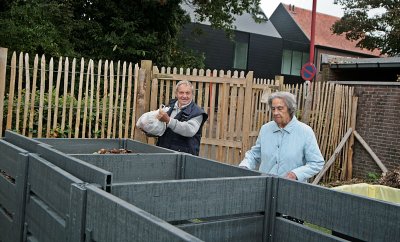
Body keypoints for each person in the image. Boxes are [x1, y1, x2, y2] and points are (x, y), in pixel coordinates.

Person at [239, 91, 324, 182]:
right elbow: (255, 154)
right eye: (273, 109)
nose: (275, 113)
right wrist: (245, 165)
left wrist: (296, 174)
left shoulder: (305, 132)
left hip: (291, 189)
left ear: (290, 109)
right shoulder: (265, 129)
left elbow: (316, 162)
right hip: (265, 185)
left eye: (280, 108)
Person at [156, 80, 208, 156]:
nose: (184, 96)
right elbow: (161, 128)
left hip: (184, 157)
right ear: (176, 94)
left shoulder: (197, 112)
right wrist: (150, 130)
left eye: (187, 93)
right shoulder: (169, 107)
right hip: (164, 152)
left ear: (192, 95)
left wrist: (169, 120)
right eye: (181, 92)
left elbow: (189, 130)